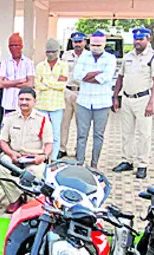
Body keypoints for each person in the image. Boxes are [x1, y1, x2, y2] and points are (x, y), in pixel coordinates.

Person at [112, 27, 154, 179]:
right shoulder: (128, 56)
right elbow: (120, 78)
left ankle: (142, 164)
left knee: (144, 134)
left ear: (148, 39)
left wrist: (152, 102)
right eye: (136, 39)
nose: (138, 42)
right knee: (126, 133)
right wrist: (115, 97)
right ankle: (126, 160)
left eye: (141, 39)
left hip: (143, 100)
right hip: (127, 98)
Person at [0, 88, 53, 213]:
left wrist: (43, 156)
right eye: (21, 99)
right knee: (0, 169)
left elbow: (49, 144)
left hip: (34, 158)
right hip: (13, 155)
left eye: (28, 99)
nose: (24, 102)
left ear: (34, 101)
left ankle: (31, 204)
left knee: (35, 173)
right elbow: (3, 141)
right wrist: (11, 153)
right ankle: (16, 199)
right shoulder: (10, 118)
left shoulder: (42, 119)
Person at [72, 31, 116, 169]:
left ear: (104, 44)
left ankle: (94, 164)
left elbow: (105, 78)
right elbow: (77, 76)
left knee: (98, 135)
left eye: (98, 45)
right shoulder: (84, 57)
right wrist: (96, 74)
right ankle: (79, 163)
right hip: (83, 102)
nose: (96, 47)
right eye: (93, 45)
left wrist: (88, 76)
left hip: (102, 103)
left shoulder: (110, 58)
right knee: (81, 135)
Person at [35, 38, 68, 161]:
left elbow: (62, 86)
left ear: (58, 51)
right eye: (48, 52)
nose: (50, 54)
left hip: (57, 105)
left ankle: (53, 159)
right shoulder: (40, 66)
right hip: (42, 104)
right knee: (41, 133)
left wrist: (46, 82)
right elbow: (37, 85)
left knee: (55, 133)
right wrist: (54, 82)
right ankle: (42, 157)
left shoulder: (63, 66)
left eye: (53, 51)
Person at [58, 31, 87, 159]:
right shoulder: (66, 55)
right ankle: (62, 148)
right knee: (64, 123)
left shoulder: (89, 56)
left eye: (80, 42)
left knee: (81, 124)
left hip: (82, 92)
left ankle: (79, 150)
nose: (77, 44)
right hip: (67, 91)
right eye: (75, 42)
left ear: (85, 42)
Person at [0, 33, 35, 113]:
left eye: (16, 45)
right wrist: (20, 81)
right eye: (11, 46)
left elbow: (30, 84)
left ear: (21, 46)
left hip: (24, 104)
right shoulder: (5, 62)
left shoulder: (28, 62)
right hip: (8, 104)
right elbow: (0, 84)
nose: (14, 48)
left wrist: (8, 83)